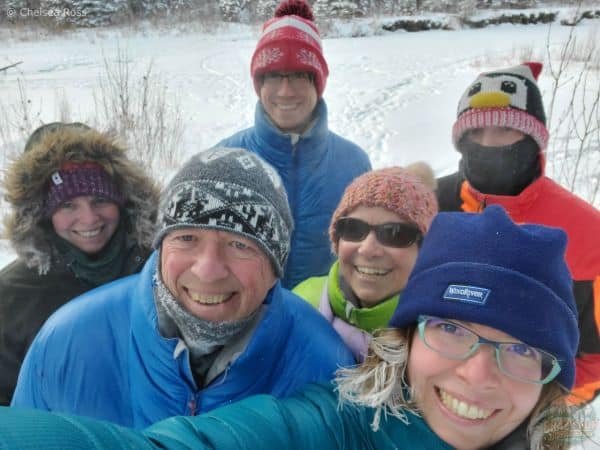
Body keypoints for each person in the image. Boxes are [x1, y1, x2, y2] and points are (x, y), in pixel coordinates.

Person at [0, 206, 589, 449]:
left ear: (551, 376)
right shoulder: (339, 421)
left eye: (519, 348)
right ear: (407, 338)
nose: (478, 373)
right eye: (452, 330)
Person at [10, 147, 355, 428]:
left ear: (276, 264)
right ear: (161, 248)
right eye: (187, 238)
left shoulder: (324, 366)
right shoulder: (66, 341)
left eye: (240, 245)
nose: (208, 270)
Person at [436, 62, 600, 404]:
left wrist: (531, 407)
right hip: (431, 403)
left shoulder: (586, 232)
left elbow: (593, 361)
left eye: (503, 131)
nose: (487, 144)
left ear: (533, 138)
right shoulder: (431, 207)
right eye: (475, 133)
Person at [0, 122, 159, 406]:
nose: (89, 219)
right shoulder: (11, 295)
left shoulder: (160, 264)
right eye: (67, 206)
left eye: (100, 199)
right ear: (42, 214)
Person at [218, 0, 371, 289]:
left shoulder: (354, 164)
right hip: (245, 323)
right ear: (259, 84)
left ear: (317, 83)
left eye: (299, 75)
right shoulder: (224, 159)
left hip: (322, 322)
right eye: (274, 76)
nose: (286, 92)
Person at [293, 163, 438, 361]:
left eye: (394, 234)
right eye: (353, 229)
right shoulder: (300, 303)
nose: (368, 249)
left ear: (424, 249)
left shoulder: (443, 335)